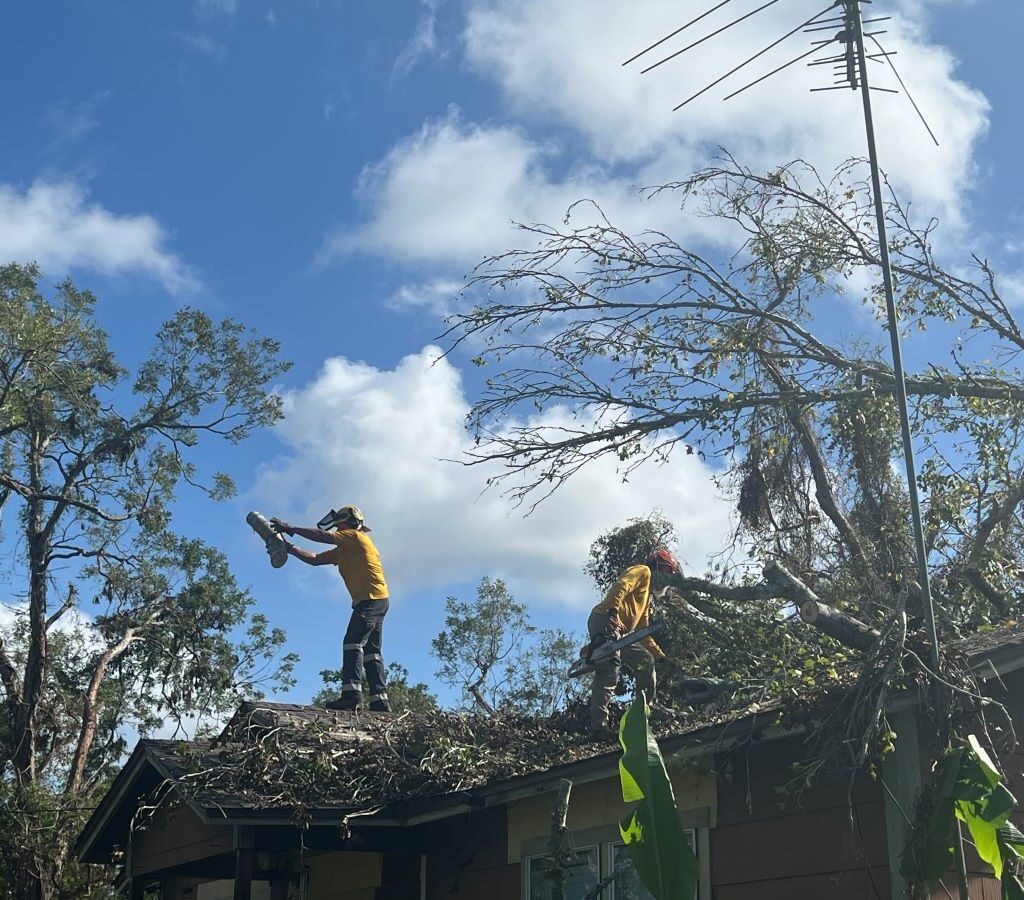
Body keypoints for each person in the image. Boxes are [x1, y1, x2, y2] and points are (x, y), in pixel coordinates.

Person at [271, 505, 392, 713]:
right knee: (372, 652)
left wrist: (290, 528)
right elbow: (315, 559)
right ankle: (380, 702)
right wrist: (289, 548)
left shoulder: (354, 537)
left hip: (370, 601)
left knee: (353, 643)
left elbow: (321, 536)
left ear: (347, 522)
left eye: (339, 524)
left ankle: (351, 697)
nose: (336, 528)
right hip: (376, 600)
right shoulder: (346, 548)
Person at [586, 548, 680, 738]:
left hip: (624, 634)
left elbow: (642, 633)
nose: (667, 578)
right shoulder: (643, 571)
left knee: (646, 661)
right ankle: (598, 726)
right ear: (657, 567)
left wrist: (660, 655)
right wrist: (613, 611)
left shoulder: (646, 597)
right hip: (606, 618)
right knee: (609, 669)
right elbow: (622, 585)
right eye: (667, 571)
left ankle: (645, 712)